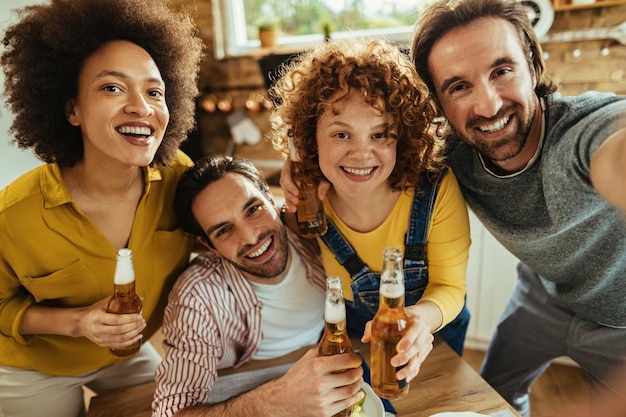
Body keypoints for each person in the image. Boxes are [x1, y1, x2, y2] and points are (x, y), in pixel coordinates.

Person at [409, 0, 626, 415]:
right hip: (541, 296)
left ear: (531, 64)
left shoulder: (582, 133)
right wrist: (307, 168)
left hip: (620, 321)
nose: (489, 106)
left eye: (501, 70)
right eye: (459, 86)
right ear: (438, 102)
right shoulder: (450, 154)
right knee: (495, 399)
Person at [0, 0, 203, 415]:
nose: (141, 108)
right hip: (35, 366)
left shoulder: (179, 176)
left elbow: (237, 213)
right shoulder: (14, 214)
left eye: (154, 91)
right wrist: (77, 322)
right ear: (71, 108)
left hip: (125, 354)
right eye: (112, 87)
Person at [271, 38, 471, 386]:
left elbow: (449, 287)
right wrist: (294, 164)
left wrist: (421, 321)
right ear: (311, 138)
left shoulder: (434, 190)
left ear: (403, 135)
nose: (361, 155)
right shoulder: (308, 198)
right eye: (341, 134)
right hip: (351, 333)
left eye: (380, 134)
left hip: (433, 331)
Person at [152, 155, 364, 417]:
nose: (251, 237)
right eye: (224, 231)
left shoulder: (315, 233)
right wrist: (276, 401)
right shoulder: (196, 297)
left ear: (270, 197)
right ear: (208, 245)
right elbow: (170, 412)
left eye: (253, 209)